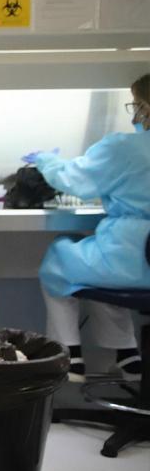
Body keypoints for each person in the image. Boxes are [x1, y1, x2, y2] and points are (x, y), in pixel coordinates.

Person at [25, 74, 150, 381]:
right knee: (95, 261)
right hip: (136, 260)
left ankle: (68, 357)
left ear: (144, 107)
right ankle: (126, 355)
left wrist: (46, 162)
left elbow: (74, 180)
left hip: (131, 257)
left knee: (61, 260)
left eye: (136, 105)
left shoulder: (124, 148)